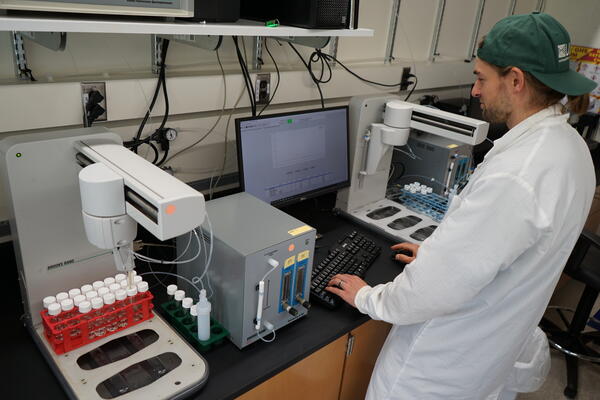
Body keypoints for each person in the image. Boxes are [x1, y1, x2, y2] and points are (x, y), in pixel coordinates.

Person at [326, 12, 597, 400]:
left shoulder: (516, 173)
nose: (475, 91)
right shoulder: (571, 149)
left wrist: (368, 297)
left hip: (439, 369)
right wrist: (444, 253)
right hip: (486, 356)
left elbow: (432, 292)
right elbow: (508, 248)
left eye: (482, 77)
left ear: (516, 80)